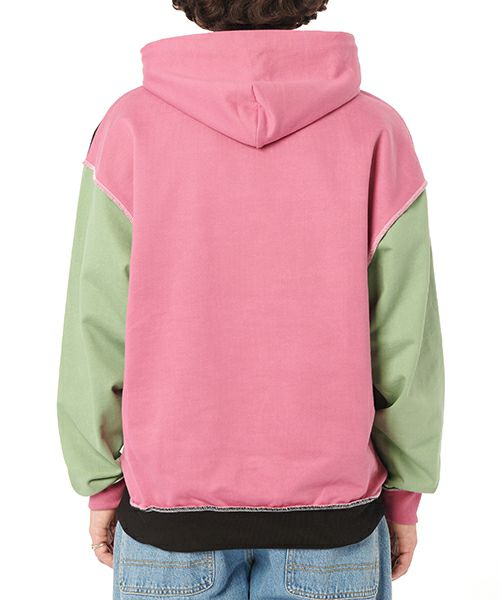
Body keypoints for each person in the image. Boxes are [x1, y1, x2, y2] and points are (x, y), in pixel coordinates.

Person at [56, 1, 445, 598]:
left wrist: (100, 482)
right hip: (333, 524)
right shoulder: (376, 130)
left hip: (168, 518)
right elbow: (405, 340)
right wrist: (404, 496)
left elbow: (96, 325)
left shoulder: (129, 128)